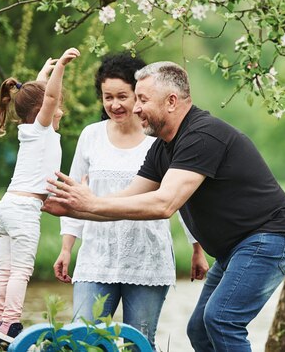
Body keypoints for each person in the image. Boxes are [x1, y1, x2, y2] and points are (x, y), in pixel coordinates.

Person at [44, 61, 285, 351]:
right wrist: (74, 208)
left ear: (171, 101)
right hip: (238, 247)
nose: (136, 108)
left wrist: (90, 203)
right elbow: (129, 198)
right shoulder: (163, 146)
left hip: (271, 238)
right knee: (200, 330)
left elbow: (164, 204)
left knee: (221, 320)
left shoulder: (201, 136)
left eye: (142, 100)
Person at [52, 53, 208, 349]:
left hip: (147, 259)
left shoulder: (159, 140)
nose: (115, 105)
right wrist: (66, 247)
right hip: (97, 256)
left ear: (138, 96)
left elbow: (181, 198)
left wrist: (197, 248)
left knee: (139, 344)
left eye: (122, 96)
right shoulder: (91, 136)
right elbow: (74, 195)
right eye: (107, 97)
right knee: (84, 341)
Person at [0, 47, 80, 349]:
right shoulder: (42, 129)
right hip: (25, 208)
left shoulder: (28, 130)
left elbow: (40, 95)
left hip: (6, 207)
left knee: (6, 270)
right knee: (21, 272)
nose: (60, 111)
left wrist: (44, 73)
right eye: (57, 107)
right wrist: (61, 68)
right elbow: (49, 98)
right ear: (43, 111)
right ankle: (10, 322)